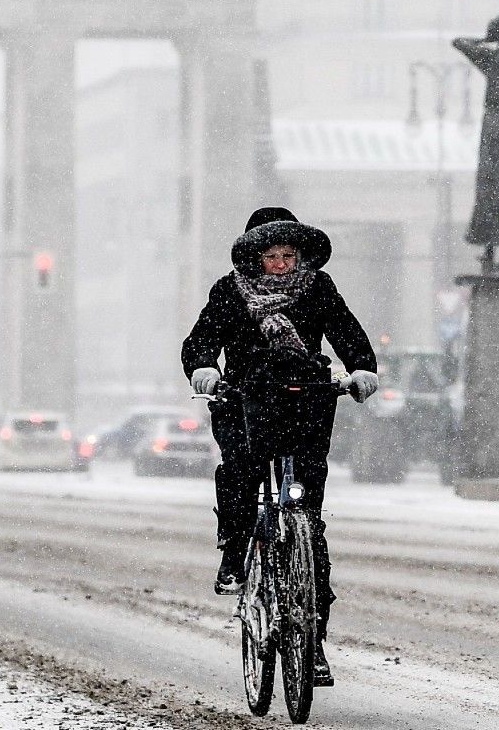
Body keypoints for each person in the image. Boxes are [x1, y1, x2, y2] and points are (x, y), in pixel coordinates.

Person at [182, 212, 379, 686]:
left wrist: (362, 368)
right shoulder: (230, 292)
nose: (282, 263)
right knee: (241, 474)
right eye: (272, 255)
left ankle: (313, 643)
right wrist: (205, 368)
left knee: (308, 514)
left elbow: (346, 332)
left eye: (289, 255)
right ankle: (234, 551)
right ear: (256, 257)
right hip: (244, 398)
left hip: (304, 397)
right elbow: (201, 340)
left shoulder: (319, 288)